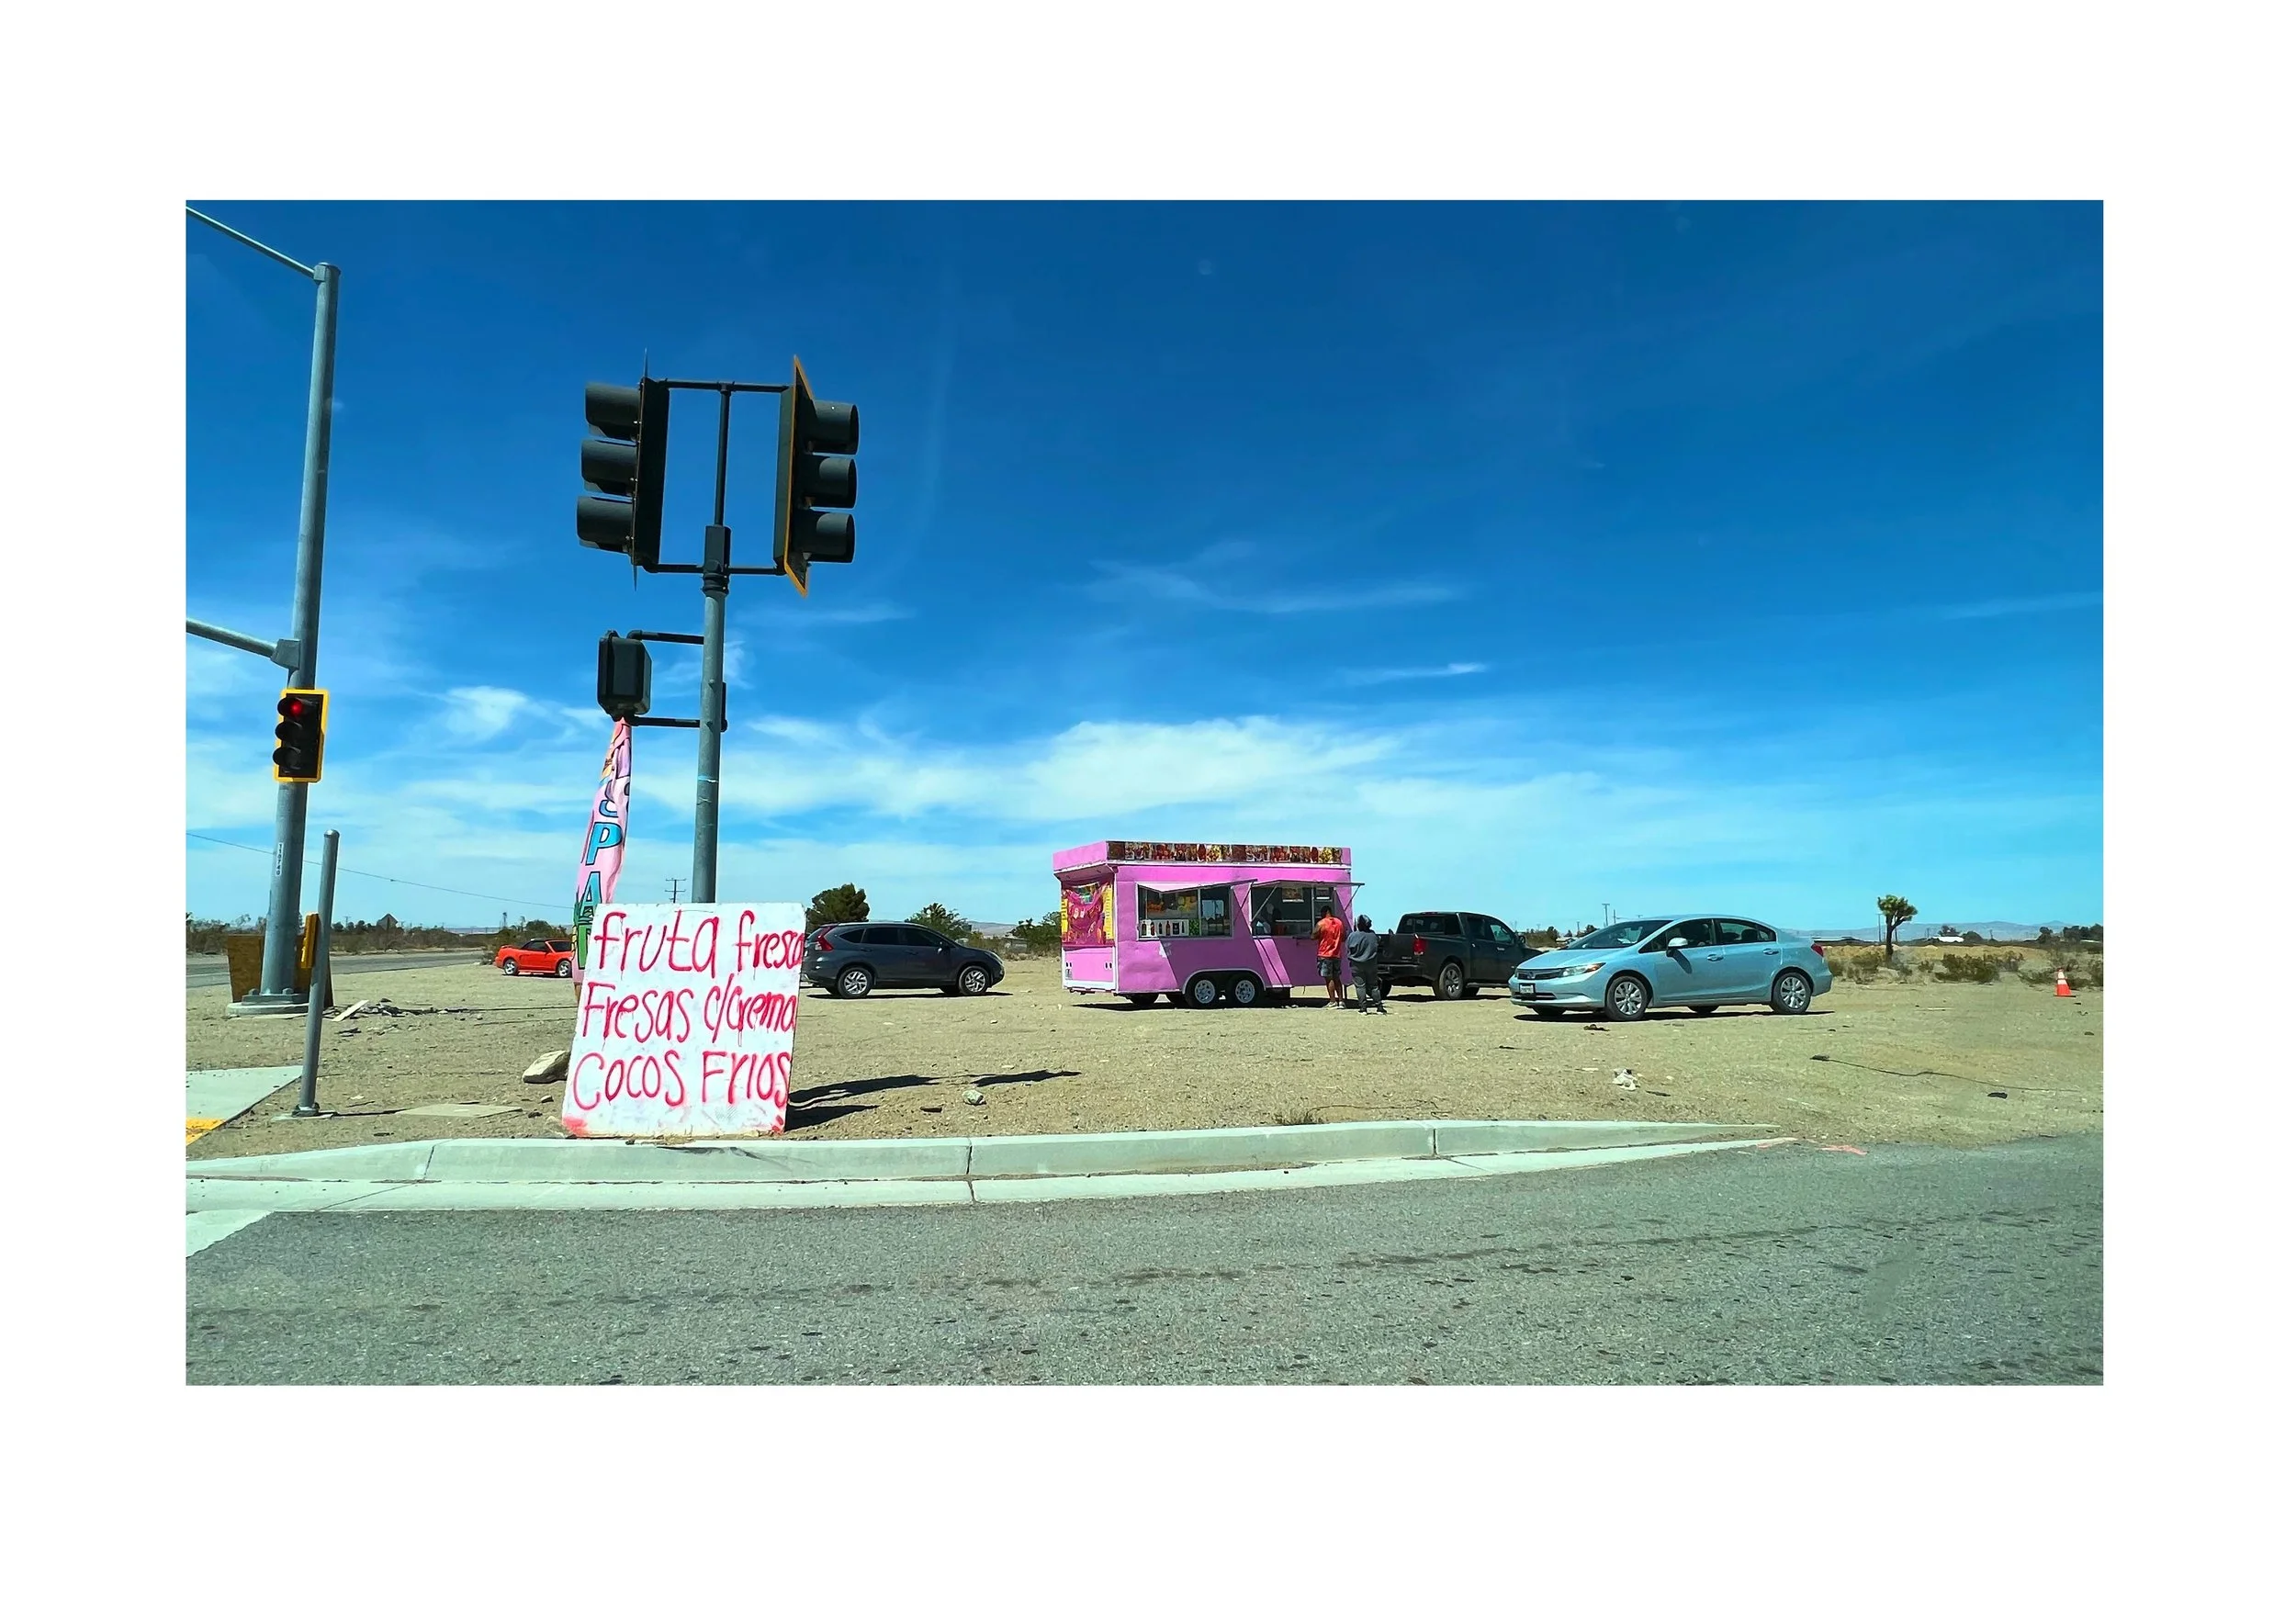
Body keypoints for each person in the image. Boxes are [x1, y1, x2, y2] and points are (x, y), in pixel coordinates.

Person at [1345, 914, 1388, 1013]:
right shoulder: (1373, 935)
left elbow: (1348, 949)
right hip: (1371, 964)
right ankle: (1379, 1007)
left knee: (1360, 986)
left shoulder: (1353, 936)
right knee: (1373, 986)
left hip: (1356, 964)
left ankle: (1363, 1008)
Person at [1314, 902, 1347, 1007]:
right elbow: (1344, 937)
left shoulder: (1321, 923)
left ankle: (1332, 1001)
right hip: (1337, 954)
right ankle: (1341, 1001)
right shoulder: (1339, 923)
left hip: (1325, 954)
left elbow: (1313, 935)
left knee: (1329, 979)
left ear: (1325, 912)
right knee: (1337, 977)